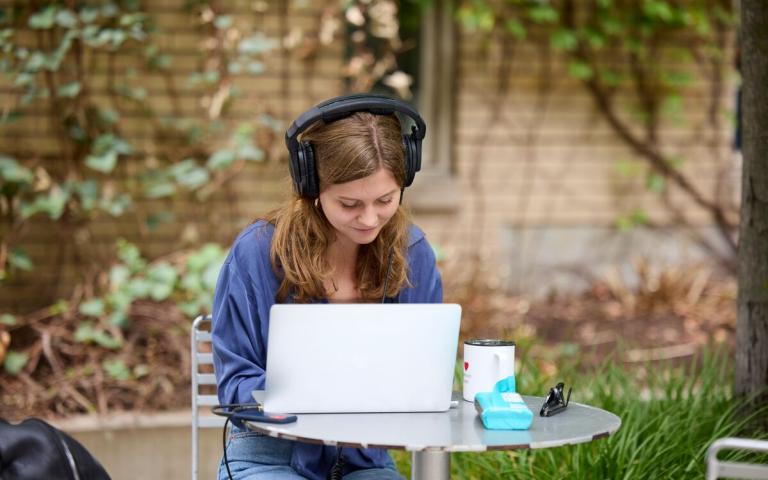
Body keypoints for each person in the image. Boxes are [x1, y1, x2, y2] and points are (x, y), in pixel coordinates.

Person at [211, 95, 443, 480]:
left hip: (364, 460)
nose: (370, 219)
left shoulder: (412, 251)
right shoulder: (257, 252)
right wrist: (326, 397)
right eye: (350, 204)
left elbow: (425, 376)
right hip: (269, 454)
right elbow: (235, 384)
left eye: (385, 200)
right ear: (311, 185)